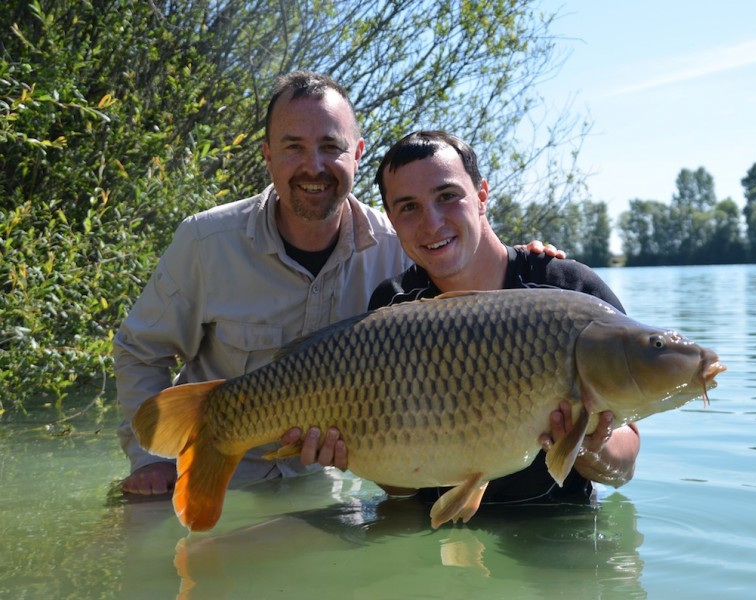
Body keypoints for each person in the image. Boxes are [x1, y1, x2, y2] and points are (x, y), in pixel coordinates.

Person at [116, 71, 559, 496]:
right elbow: (141, 350)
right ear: (267, 154)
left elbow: (467, 293)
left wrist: (527, 262)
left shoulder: (398, 244)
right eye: (294, 147)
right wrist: (148, 460)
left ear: (358, 153)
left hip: (334, 489)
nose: (314, 166)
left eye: (331, 146)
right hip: (218, 477)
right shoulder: (205, 242)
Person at [366, 130, 641, 505]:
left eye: (448, 197)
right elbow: (400, 488)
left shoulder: (568, 290)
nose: (432, 223)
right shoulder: (393, 308)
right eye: (408, 207)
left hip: (554, 531)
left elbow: (625, 466)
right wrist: (351, 453)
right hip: (433, 531)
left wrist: (587, 446)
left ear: (481, 196)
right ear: (392, 220)